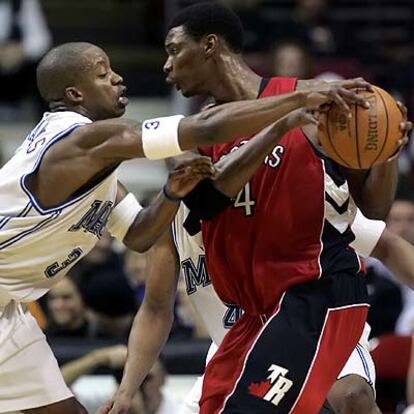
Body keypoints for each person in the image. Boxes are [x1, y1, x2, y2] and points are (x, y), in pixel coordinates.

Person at [0, 40, 368, 414]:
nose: (117, 78)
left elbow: (140, 233)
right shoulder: (79, 139)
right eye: (103, 74)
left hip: (9, 311)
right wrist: (294, 103)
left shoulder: (98, 171)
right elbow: (203, 127)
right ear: (76, 93)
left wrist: (170, 194)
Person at [160, 3, 410, 413]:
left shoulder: (314, 101)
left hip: (313, 294)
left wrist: (385, 150)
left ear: (210, 46)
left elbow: (375, 208)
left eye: (174, 50)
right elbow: (205, 201)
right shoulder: (197, 132)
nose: (167, 66)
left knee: (347, 398)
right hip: (251, 315)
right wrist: (279, 124)